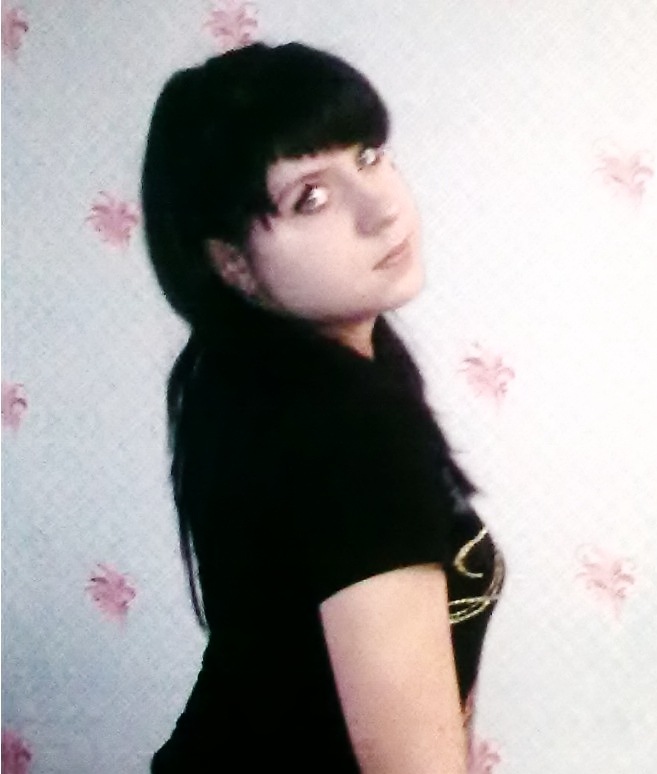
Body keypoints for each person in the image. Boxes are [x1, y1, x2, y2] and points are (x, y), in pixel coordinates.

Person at [140, 41, 506, 773]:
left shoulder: (246, 381)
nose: (381, 208)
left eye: (367, 156)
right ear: (232, 263)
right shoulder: (352, 428)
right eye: (310, 196)